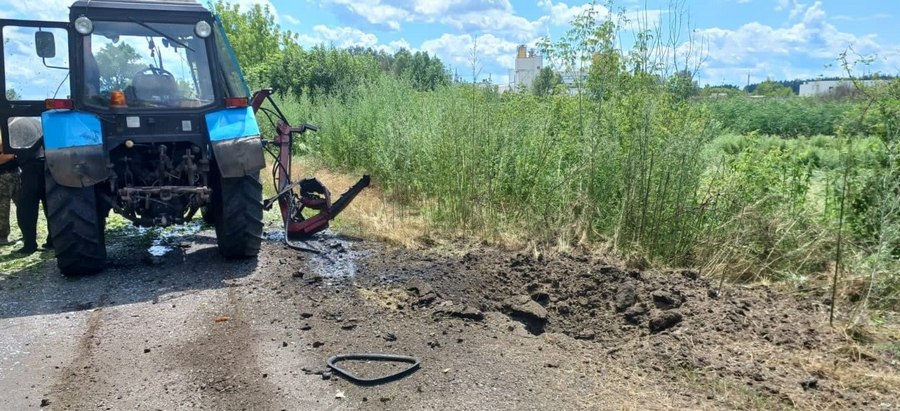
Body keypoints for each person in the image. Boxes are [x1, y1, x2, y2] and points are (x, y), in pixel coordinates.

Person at [9, 117, 49, 254]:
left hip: (31, 167)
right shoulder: (36, 121)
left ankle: (30, 244)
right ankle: (53, 240)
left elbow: (11, 153)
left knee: (26, 208)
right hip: (48, 165)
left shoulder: (13, 125)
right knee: (50, 204)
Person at [0, 143, 16, 246]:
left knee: (24, 207)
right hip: (3, 175)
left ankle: (29, 232)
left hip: (15, 172)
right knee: (3, 206)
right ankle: (2, 236)